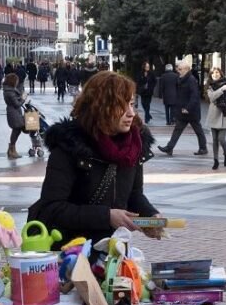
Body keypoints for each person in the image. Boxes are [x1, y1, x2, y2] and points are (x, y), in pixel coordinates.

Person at [27, 71, 163, 247]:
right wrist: (106, 216)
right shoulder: (70, 147)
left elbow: (133, 194)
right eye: (122, 106)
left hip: (113, 250)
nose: (131, 113)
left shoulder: (134, 146)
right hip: (70, 251)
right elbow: (52, 208)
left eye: (132, 104)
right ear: (101, 107)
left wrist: (150, 216)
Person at [157, 61, 207, 156]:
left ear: (186, 70)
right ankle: (169, 148)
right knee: (177, 130)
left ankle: (203, 148)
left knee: (198, 130)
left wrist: (188, 108)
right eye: (177, 69)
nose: (178, 71)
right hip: (183, 111)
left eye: (180, 69)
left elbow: (195, 96)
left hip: (191, 111)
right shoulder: (181, 79)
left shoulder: (191, 80)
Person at [205, 68, 226, 170]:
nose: (215, 74)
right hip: (213, 115)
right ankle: (215, 160)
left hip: (225, 114)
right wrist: (221, 89)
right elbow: (211, 98)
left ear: (221, 73)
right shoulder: (210, 86)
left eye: (217, 72)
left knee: (221, 138)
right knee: (214, 139)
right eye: (213, 73)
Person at [3, 73, 26, 159]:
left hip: (15, 112)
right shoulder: (9, 92)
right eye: (16, 80)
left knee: (17, 130)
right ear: (12, 81)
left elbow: (15, 99)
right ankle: (12, 150)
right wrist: (23, 99)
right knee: (16, 129)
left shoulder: (10, 90)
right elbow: (16, 104)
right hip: (14, 113)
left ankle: (12, 149)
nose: (17, 82)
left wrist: (21, 97)